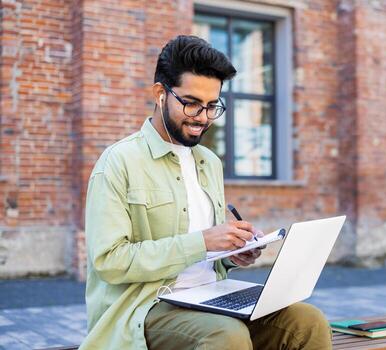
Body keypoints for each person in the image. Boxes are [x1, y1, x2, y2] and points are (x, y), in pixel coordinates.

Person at [80, 35, 332, 350]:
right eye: (191, 103)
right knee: (226, 335)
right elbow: (110, 261)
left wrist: (231, 253)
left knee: (307, 321)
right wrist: (202, 242)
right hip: (147, 307)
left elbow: (206, 257)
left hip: (212, 297)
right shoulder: (119, 162)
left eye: (212, 106)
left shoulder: (209, 162)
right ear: (161, 94)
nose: (202, 117)